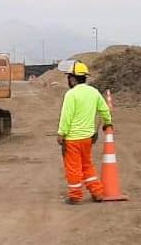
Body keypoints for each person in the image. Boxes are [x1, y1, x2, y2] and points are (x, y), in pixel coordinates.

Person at [57, 61, 112, 204]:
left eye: (69, 77)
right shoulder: (94, 92)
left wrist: (61, 133)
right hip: (88, 138)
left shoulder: (71, 94)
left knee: (73, 168)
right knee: (87, 165)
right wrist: (107, 123)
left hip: (72, 139)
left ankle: (75, 196)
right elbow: (104, 110)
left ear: (73, 78)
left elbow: (66, 116)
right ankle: (97, 192)